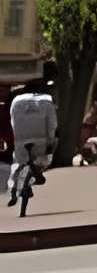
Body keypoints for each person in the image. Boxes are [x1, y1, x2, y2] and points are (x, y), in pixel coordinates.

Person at [8, 76, 56, 214]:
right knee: (40, 161)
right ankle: (37, 174)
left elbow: (13, 121)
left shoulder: (17, 101)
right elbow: (52, 124)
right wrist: (51, 140)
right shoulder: (47, 101)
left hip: (21, 140)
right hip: (40, 140)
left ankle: (13, 187)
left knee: (18, 163)